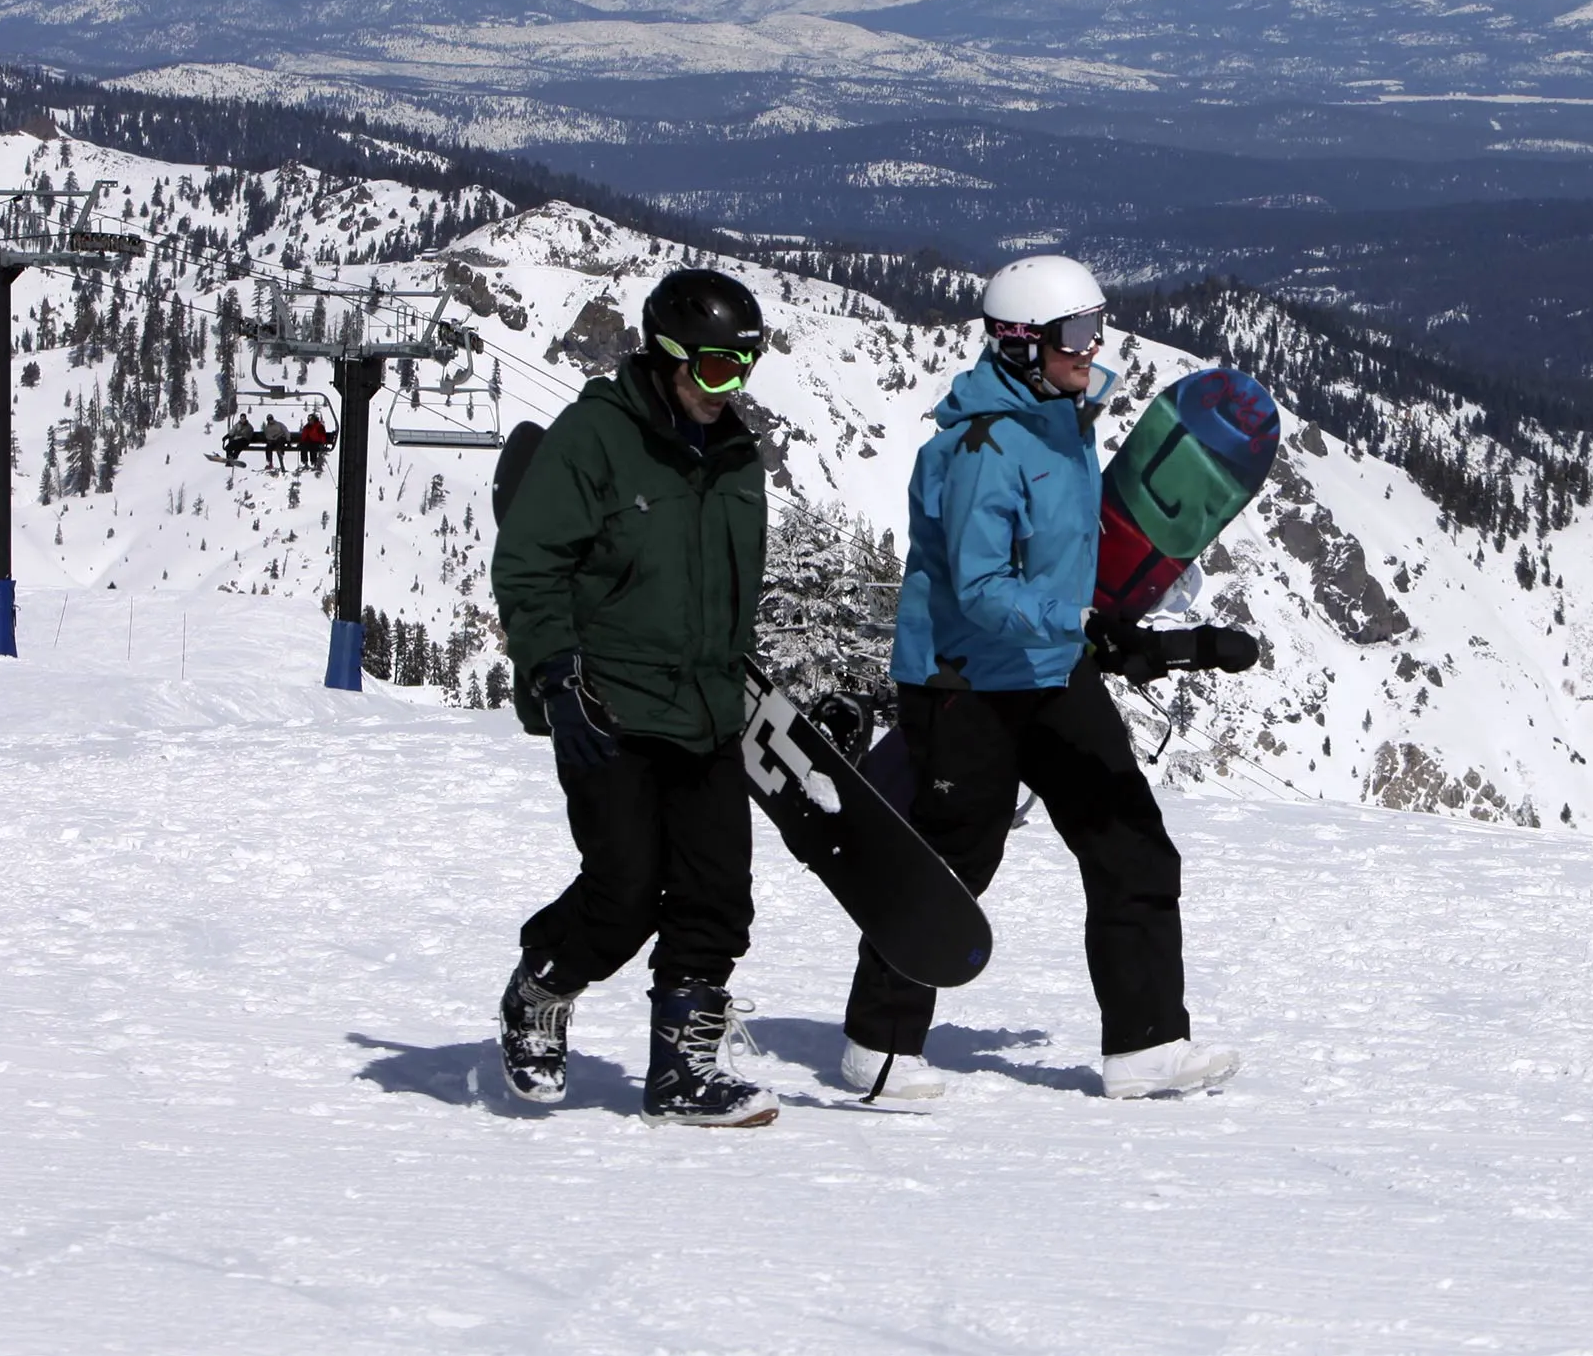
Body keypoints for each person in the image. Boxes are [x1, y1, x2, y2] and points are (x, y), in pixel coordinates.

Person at [839, 254, 1241, 1101]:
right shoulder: (985, 448)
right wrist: (1083, 623)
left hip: (1050, 667)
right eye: (1073, 333)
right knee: (952, 862)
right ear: (1021, 344)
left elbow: (1071, 556)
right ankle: (878, 1044)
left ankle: (1146, 1045)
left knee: (1130, 836)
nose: (1090, 348)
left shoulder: (1065, 419)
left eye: (1097, 327)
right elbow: (982, 590)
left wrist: (1126, 628)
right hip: (966, 682)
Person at [490, 268, 775, 1127]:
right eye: (718, 370)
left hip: (705, 708)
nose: (730, 392)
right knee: (624, 886)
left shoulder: (733, 455)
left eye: (744, 371)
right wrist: (553, 678)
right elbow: (529, 566)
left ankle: (682, 1070)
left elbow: (719, 591)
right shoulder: (594, 440)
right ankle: (542, 985)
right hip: (607, 703)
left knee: (716, 894)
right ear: (669, 357)